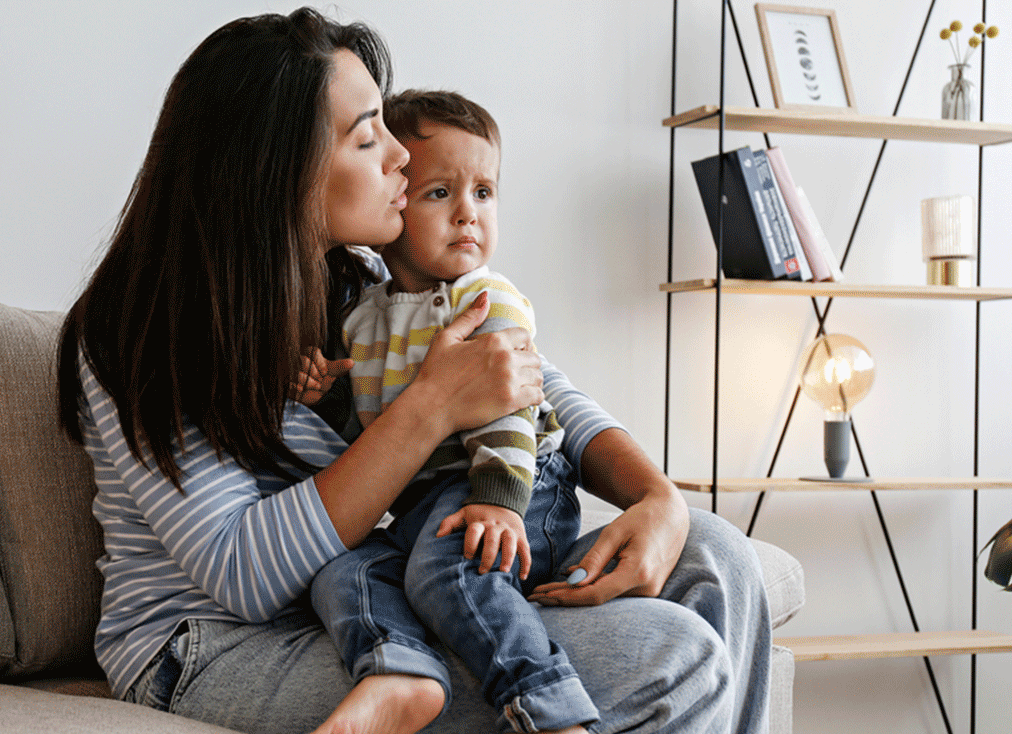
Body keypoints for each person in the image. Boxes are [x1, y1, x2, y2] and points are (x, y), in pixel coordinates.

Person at [56, 7, 773, 734]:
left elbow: (522, 371)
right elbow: (243, 575)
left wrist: (656, 497)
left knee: (720, 558)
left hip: (379, 588)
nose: (401, 155)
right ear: (278, 171)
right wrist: (430, 405)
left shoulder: (360, 281)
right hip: (214, 643)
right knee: (670, 656)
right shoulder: (135, 331)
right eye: (368, 137)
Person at [304, 89, 601, 733]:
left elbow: (515, 408)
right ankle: (400, 670)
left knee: (447, 567)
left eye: (485, 193)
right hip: (422, 502)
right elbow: (367, 431)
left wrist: (499, 499)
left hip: (516, 482)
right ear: (395, 196)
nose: (469, 213)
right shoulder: (362, 319)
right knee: (341, 573)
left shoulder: (489, 299)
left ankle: (550, 710)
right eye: (441, 193)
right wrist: (321, 394)